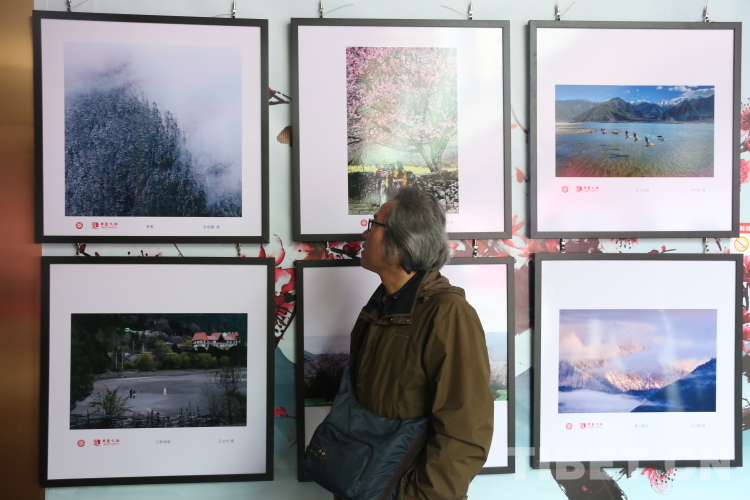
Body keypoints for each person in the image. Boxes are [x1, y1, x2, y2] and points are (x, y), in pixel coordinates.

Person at [347, 186, 493, 500]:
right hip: (365, 484)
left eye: (374, 225)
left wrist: (416, 495)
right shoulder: (378, 309)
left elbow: (465, 430)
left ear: (402, 241)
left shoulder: (449, 315)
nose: (364, 234)